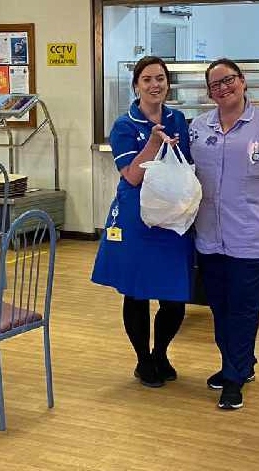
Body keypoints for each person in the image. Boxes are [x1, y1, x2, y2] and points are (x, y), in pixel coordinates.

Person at [189, 58, 259, 410]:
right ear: (209, 93)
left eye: (229, 80)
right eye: (215, 85)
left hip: (253, 235)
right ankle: (240, 364)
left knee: (242, 308)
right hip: (209, 234)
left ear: (242, 82)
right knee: (220, 306)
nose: (223, 88)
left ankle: (234, 376)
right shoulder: (199, 128)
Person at [92, 56, 194, 388]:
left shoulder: (178, 119)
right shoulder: (124, 125)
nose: (155, 85)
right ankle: (143, 359)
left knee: (174, 295)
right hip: (136, 219)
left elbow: (186, 165)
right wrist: (152, 143)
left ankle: (161, 353)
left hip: (172, 218)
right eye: (147, 79)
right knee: (136, 294)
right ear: (136, 85)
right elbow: (132, 176)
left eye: (160, 79)